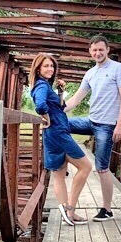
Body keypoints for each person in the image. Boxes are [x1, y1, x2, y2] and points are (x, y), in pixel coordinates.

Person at [63, 35, 121, 221]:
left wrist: (120, 124)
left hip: (107, 126)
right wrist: (57, 111)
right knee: (62, 124)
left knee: (102, 168)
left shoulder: (118, 68)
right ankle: (65, 162)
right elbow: (76, 99)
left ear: (108, 49)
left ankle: (107, 210)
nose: (97, 53)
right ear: (90, 52)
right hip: (91, 121)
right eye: (94, 50)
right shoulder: (90, 73)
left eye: (101, 49)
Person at [30, 52, 92, 227]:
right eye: (46, 66)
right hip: (58, 132)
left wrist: (60, 92)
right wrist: (46, 116)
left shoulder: (42, 86)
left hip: (52, 134)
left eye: (52, 66)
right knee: (86, 166)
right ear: (38, 68)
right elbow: (41, 106)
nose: (50, 69)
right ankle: (69, 209)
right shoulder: (42, 86)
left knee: (58, 173)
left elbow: (60, 107)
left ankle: (68, 212)